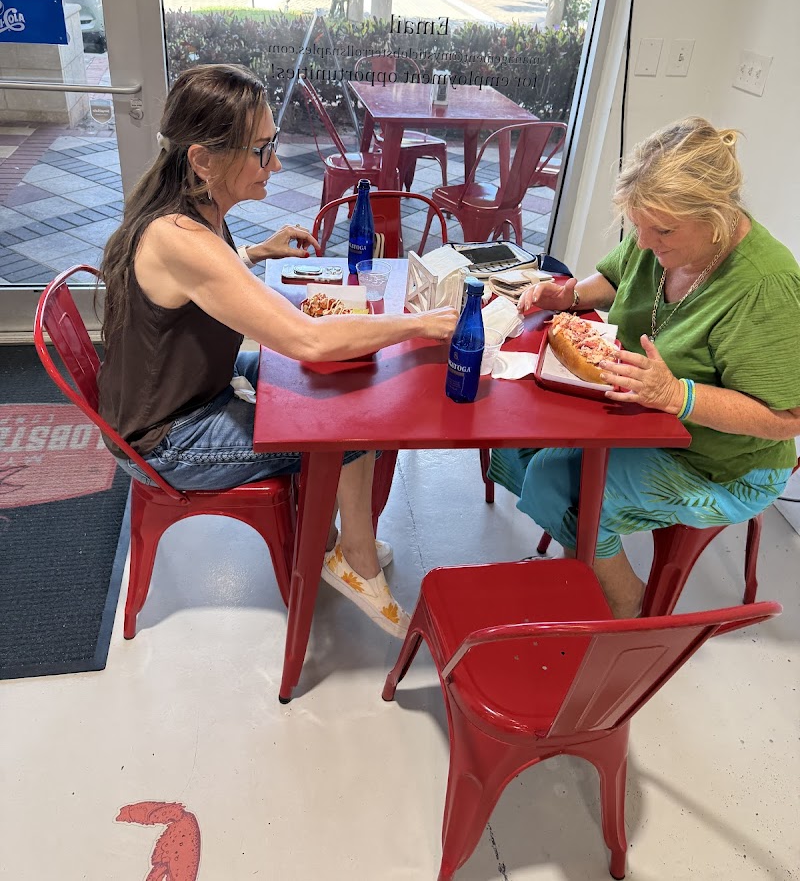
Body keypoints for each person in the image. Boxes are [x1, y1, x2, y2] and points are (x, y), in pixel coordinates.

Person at [98, 63, 458, 638]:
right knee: (348, 427)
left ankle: (341, 541)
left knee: (342, 391)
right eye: (263, 150)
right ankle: (353, 560)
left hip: (186, 385)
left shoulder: (191, 215)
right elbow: (309, 339)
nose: (277, 162)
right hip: (165, 435)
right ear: (203, 160)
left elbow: (202, 291)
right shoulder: (180, 237)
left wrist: (257, 255)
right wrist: (418, 323)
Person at [489, 116, 800, 617]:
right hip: (644, 417)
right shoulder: (659, 229)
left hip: (721, 463)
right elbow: (615, 276)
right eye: (638, 226)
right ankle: (582, 555)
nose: (646, 242)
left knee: (555, 480)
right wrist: (567, 294)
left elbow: (785, 418)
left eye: (661, 231)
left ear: (716, 214)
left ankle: (627, 603)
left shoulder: (765, 285)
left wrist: (679, 396)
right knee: (515, 438)